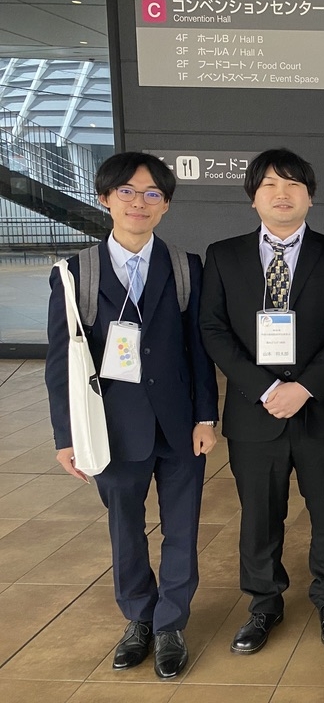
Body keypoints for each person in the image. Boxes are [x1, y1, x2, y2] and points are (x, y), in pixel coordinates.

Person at [44, 152, 219, 679]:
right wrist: (67, 436)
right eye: (126, 191)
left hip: (180, 424)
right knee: (126, 527)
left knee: (182, 527)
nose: (138, 203)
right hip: (113, 428)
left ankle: (170, 624)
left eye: (151, 194)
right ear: (105, 199)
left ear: (165, 205)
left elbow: (199, 351)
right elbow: (62, 362)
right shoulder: (76, 273)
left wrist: (206, 417)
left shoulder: (186, 267)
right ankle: (138, 618)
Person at [199, 148, 324, 654]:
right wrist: (267, 388)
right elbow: (213, 330)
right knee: (259, 516)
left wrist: (304, 386)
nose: (282, 193)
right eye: (269, 184)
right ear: (253, 198)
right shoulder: (223, 256)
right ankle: (263, 603)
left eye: (293, 184)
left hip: (323, 408)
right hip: (255, 411)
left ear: (311, 197)